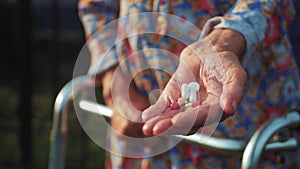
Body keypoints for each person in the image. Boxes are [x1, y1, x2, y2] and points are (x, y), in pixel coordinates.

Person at [78, 0, 300, 168]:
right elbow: (96, 7)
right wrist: (114, 85)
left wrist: (223, 42)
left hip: (240, 133)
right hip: (142, 135)